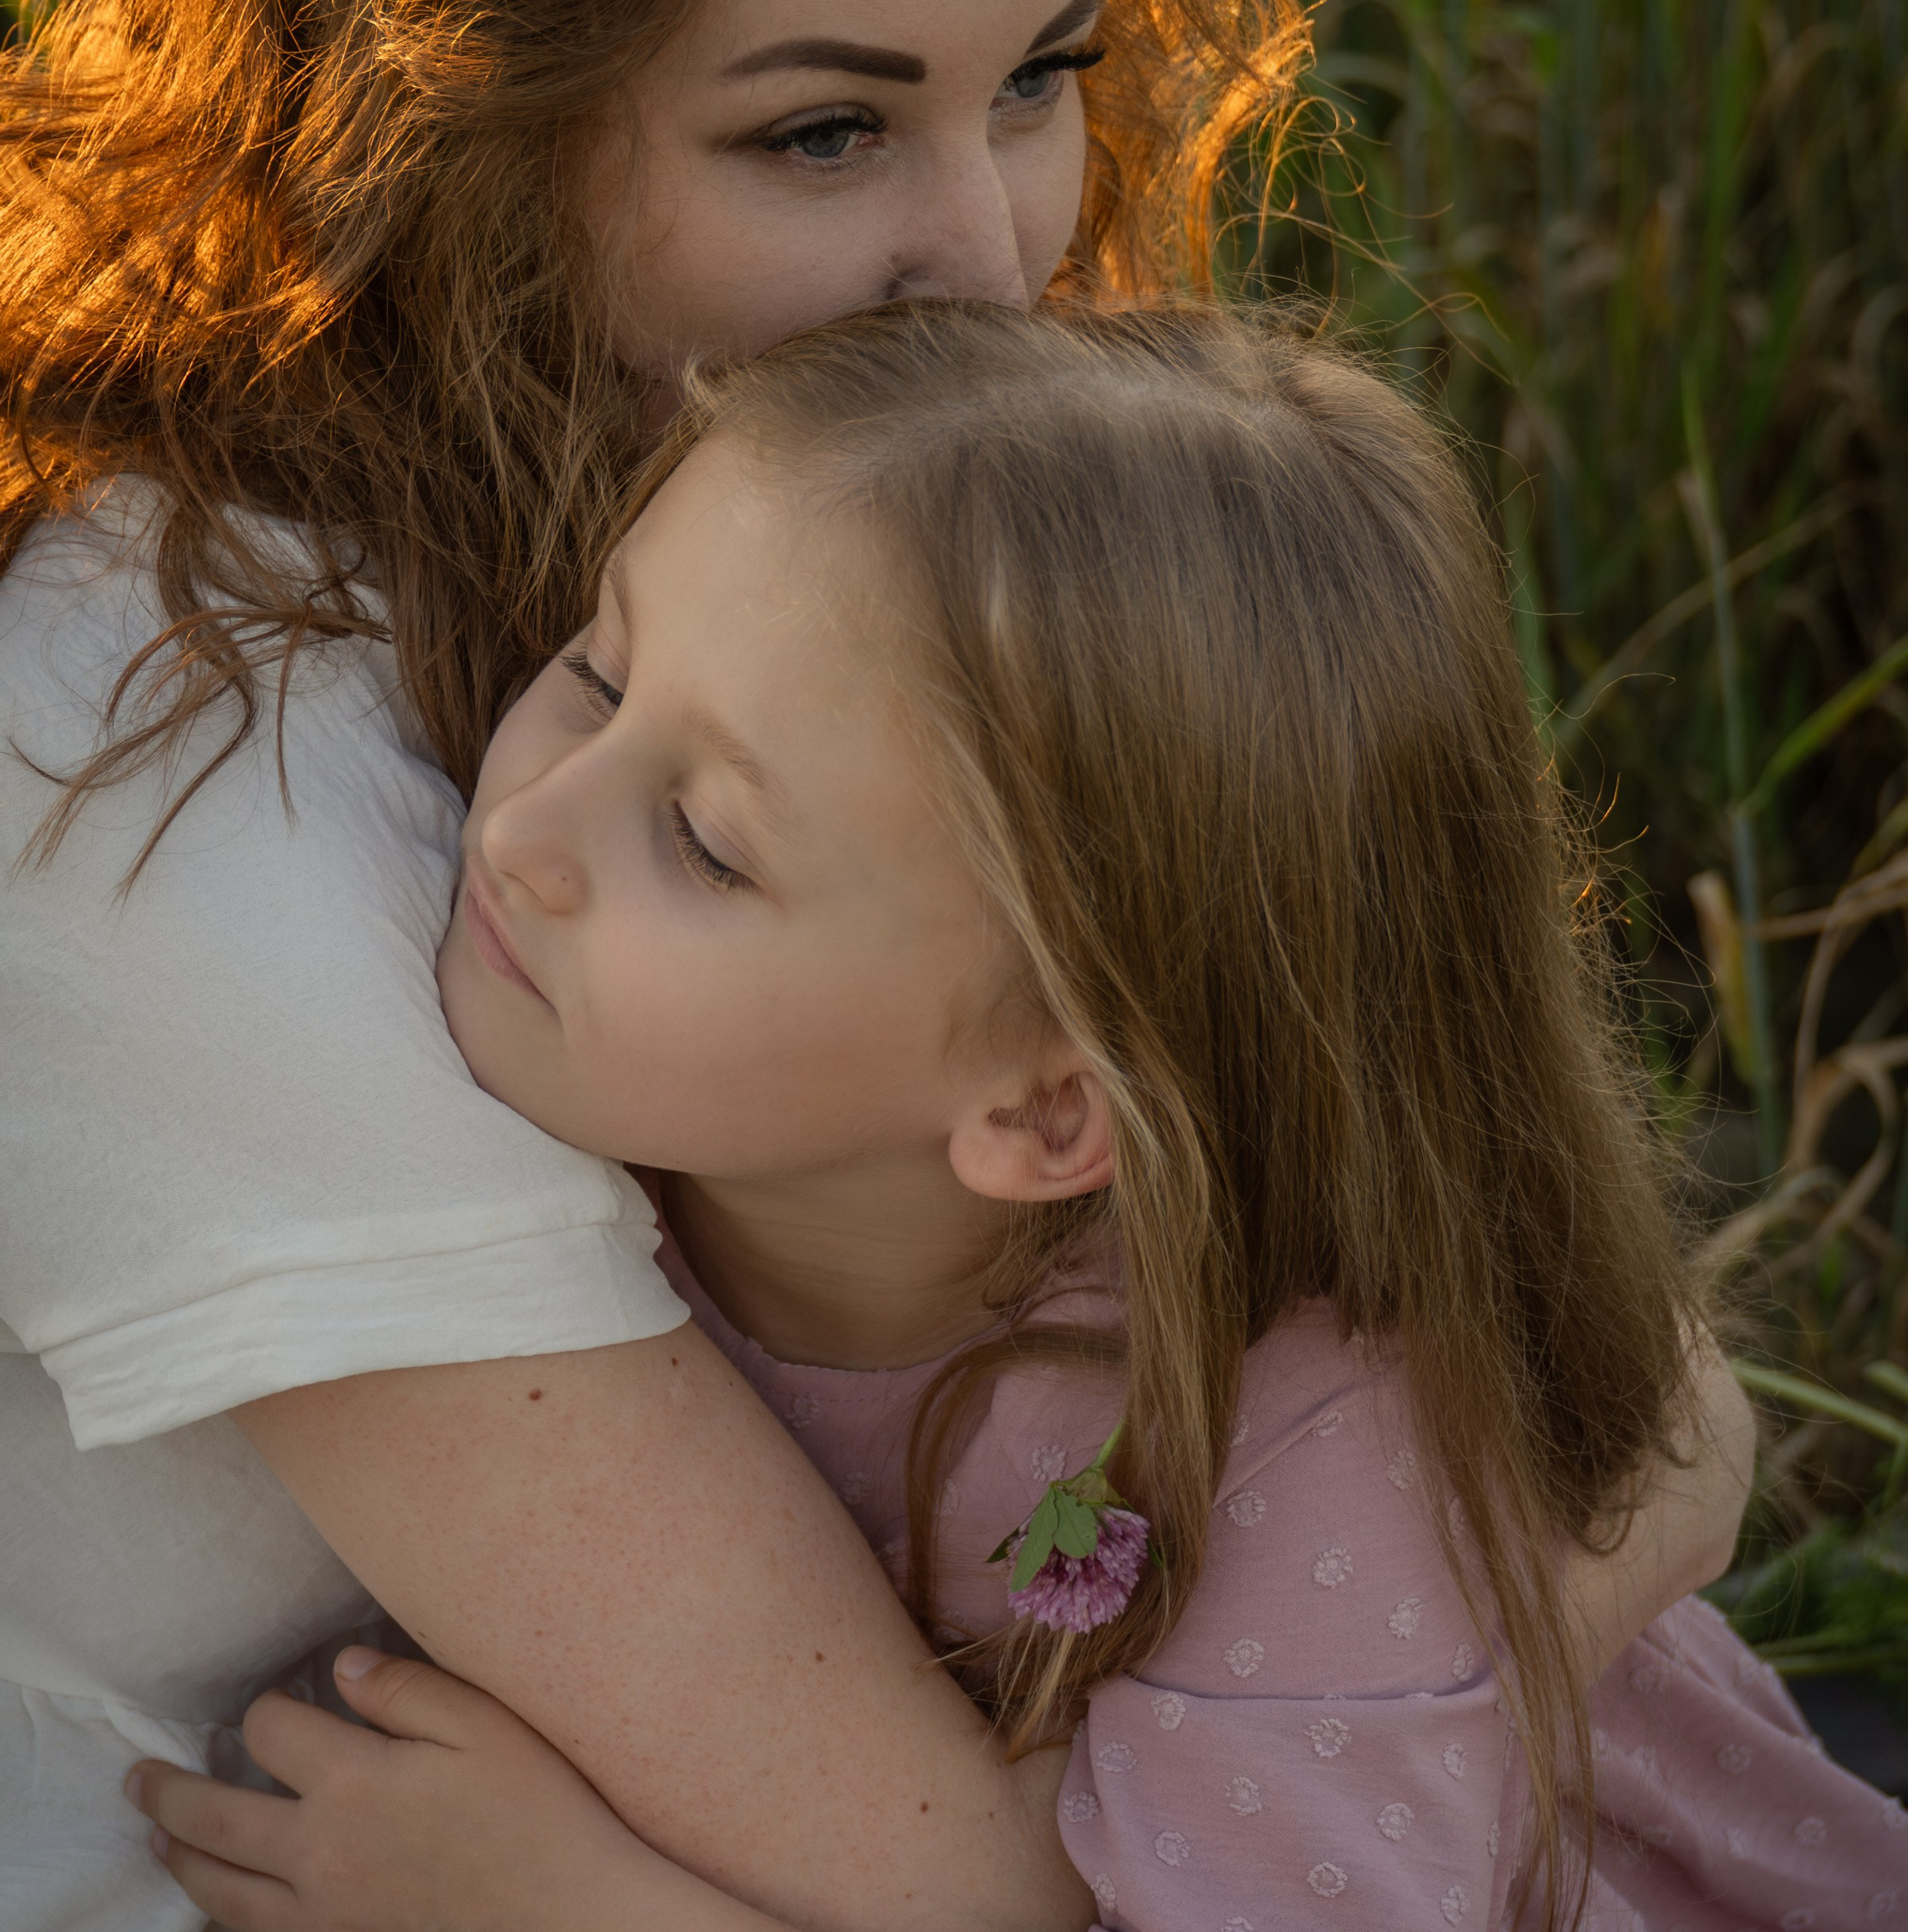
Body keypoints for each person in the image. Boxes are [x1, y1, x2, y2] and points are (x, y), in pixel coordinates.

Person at [128, 301, 1908, 1931]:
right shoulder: (598, 1103)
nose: (519, 827)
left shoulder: (1312, 1451)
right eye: (598, 670)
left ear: (1049, 1104)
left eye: (705, 841)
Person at [0, 5, 1312, 1928]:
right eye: (820, 134)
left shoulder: (744, 531)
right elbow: (991, 1898)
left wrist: (1600, 1482)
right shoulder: (161, 762)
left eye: (1043, 77)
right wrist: (1571, 1535)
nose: (992, 257)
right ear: (449, 134)